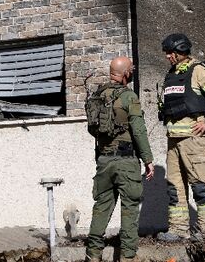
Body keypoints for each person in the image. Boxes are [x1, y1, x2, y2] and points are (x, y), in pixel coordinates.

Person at [157, 33, 205, 241]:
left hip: (193, 139)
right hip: (173, 139)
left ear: (180, 51)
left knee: (200, 185)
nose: (167, 57)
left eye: (170, 53)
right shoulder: (171, 74)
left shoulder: (198, 71)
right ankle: (178, 229)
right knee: (174, 187)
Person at [85, 56, 155, 262]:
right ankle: (127, 257)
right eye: (131, 69)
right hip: (126, 162)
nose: (132, 72)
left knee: (101, 208)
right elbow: (139, 130)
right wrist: (148, 159)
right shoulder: (128, 97)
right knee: (130, 210)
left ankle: (93, 255)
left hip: (104, 161)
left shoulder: (97, 96)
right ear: (125, 73)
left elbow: (93, 130)